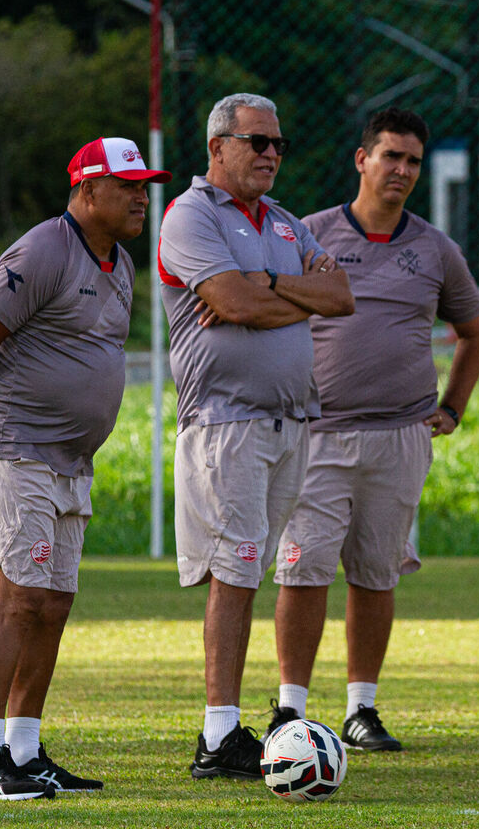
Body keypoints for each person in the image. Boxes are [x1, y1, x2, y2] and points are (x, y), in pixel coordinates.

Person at [0, 137, 170, 799]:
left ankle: (23, 749)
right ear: (85, 191)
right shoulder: (45, 248)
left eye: (144, 186)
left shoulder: (121, 262)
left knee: (52, 604)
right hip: (15, 448)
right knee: (17, 597)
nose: (142, 197)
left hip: (70, 461)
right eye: (127, 185)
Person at [267, 107, 479, 751]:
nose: (402, 170)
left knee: (376, 572)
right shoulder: (307, 235)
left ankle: (361, 708)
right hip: (319, 433)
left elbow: (474, 331)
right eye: (391, 155)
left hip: (400, 435)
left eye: (413, 161)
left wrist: (453, 408)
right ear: (361, 159)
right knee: (303, 567)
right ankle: (290, 709)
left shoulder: (433, 247)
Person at [157, 93, 354, 780]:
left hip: (289, 420)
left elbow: (341, 297)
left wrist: (267, 283)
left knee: (256, 570)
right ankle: (218, 735)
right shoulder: (190, 215)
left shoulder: (284, 221)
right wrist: (281, 291)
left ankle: (234, 727)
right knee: (235, 573)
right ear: (217, 148)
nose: (271, 153)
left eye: (278, 143)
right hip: (228, 423)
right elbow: (229, 303)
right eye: (257, 142)